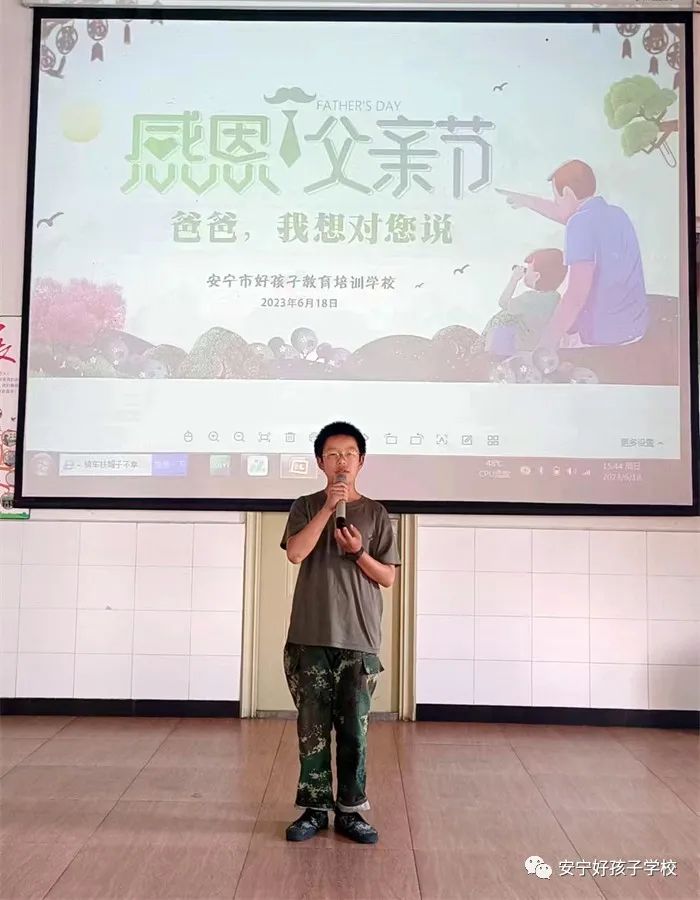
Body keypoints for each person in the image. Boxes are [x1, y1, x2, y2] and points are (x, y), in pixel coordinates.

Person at [280, 421, 400, 844]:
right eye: (332, 455)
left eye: (349, 454)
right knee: (311, 730)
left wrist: (358, 551)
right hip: (310, 636)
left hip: (358, 639)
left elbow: (387, 577)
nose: (341, 462)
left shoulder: (377, 513)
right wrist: (329, 508)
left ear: (361, 461)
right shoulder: (305, 506)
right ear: (320, 462)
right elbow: (296, 553)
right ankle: (314, 810)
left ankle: (350, 811)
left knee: (354, 732)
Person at [497, 159, 649, 350]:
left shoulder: (579, 224)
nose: (555, 203)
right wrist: (528, 201)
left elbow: (576, 294)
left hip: (605, 333)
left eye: (556, 198)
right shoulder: (617, 214)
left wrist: (547, 343)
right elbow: (565, 214)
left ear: (568, 193)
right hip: (634, 326)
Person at [476, 249, 567, 355]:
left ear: (537, 276)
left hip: (522, 349)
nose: (524, 274)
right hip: (541, 348)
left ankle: (481, 350)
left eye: (527, 270)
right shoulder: (556, 298)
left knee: (501, 319)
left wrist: (514, 279)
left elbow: (503, 302)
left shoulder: (530, 299)